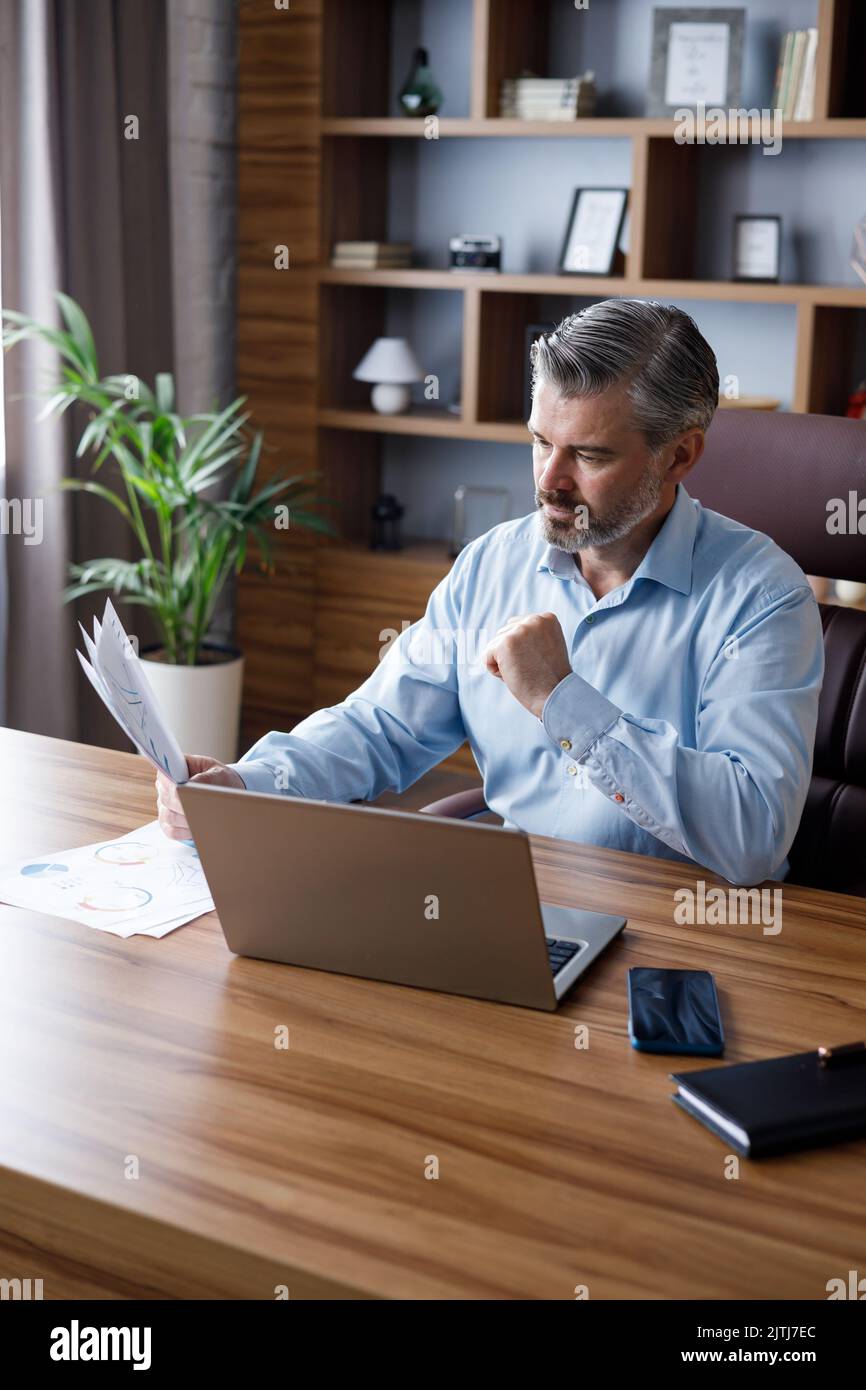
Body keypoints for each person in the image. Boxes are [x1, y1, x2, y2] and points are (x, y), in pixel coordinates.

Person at [157, 299, 823, 885]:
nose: (550, 481)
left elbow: (752, 839)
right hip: (518, 913)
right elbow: (379, 727)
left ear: (679, 456)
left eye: (588, 456)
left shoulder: (762, 599)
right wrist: (248, 784)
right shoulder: (493, 564)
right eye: (540, 442)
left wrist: (564, 701)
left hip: (684, 941)